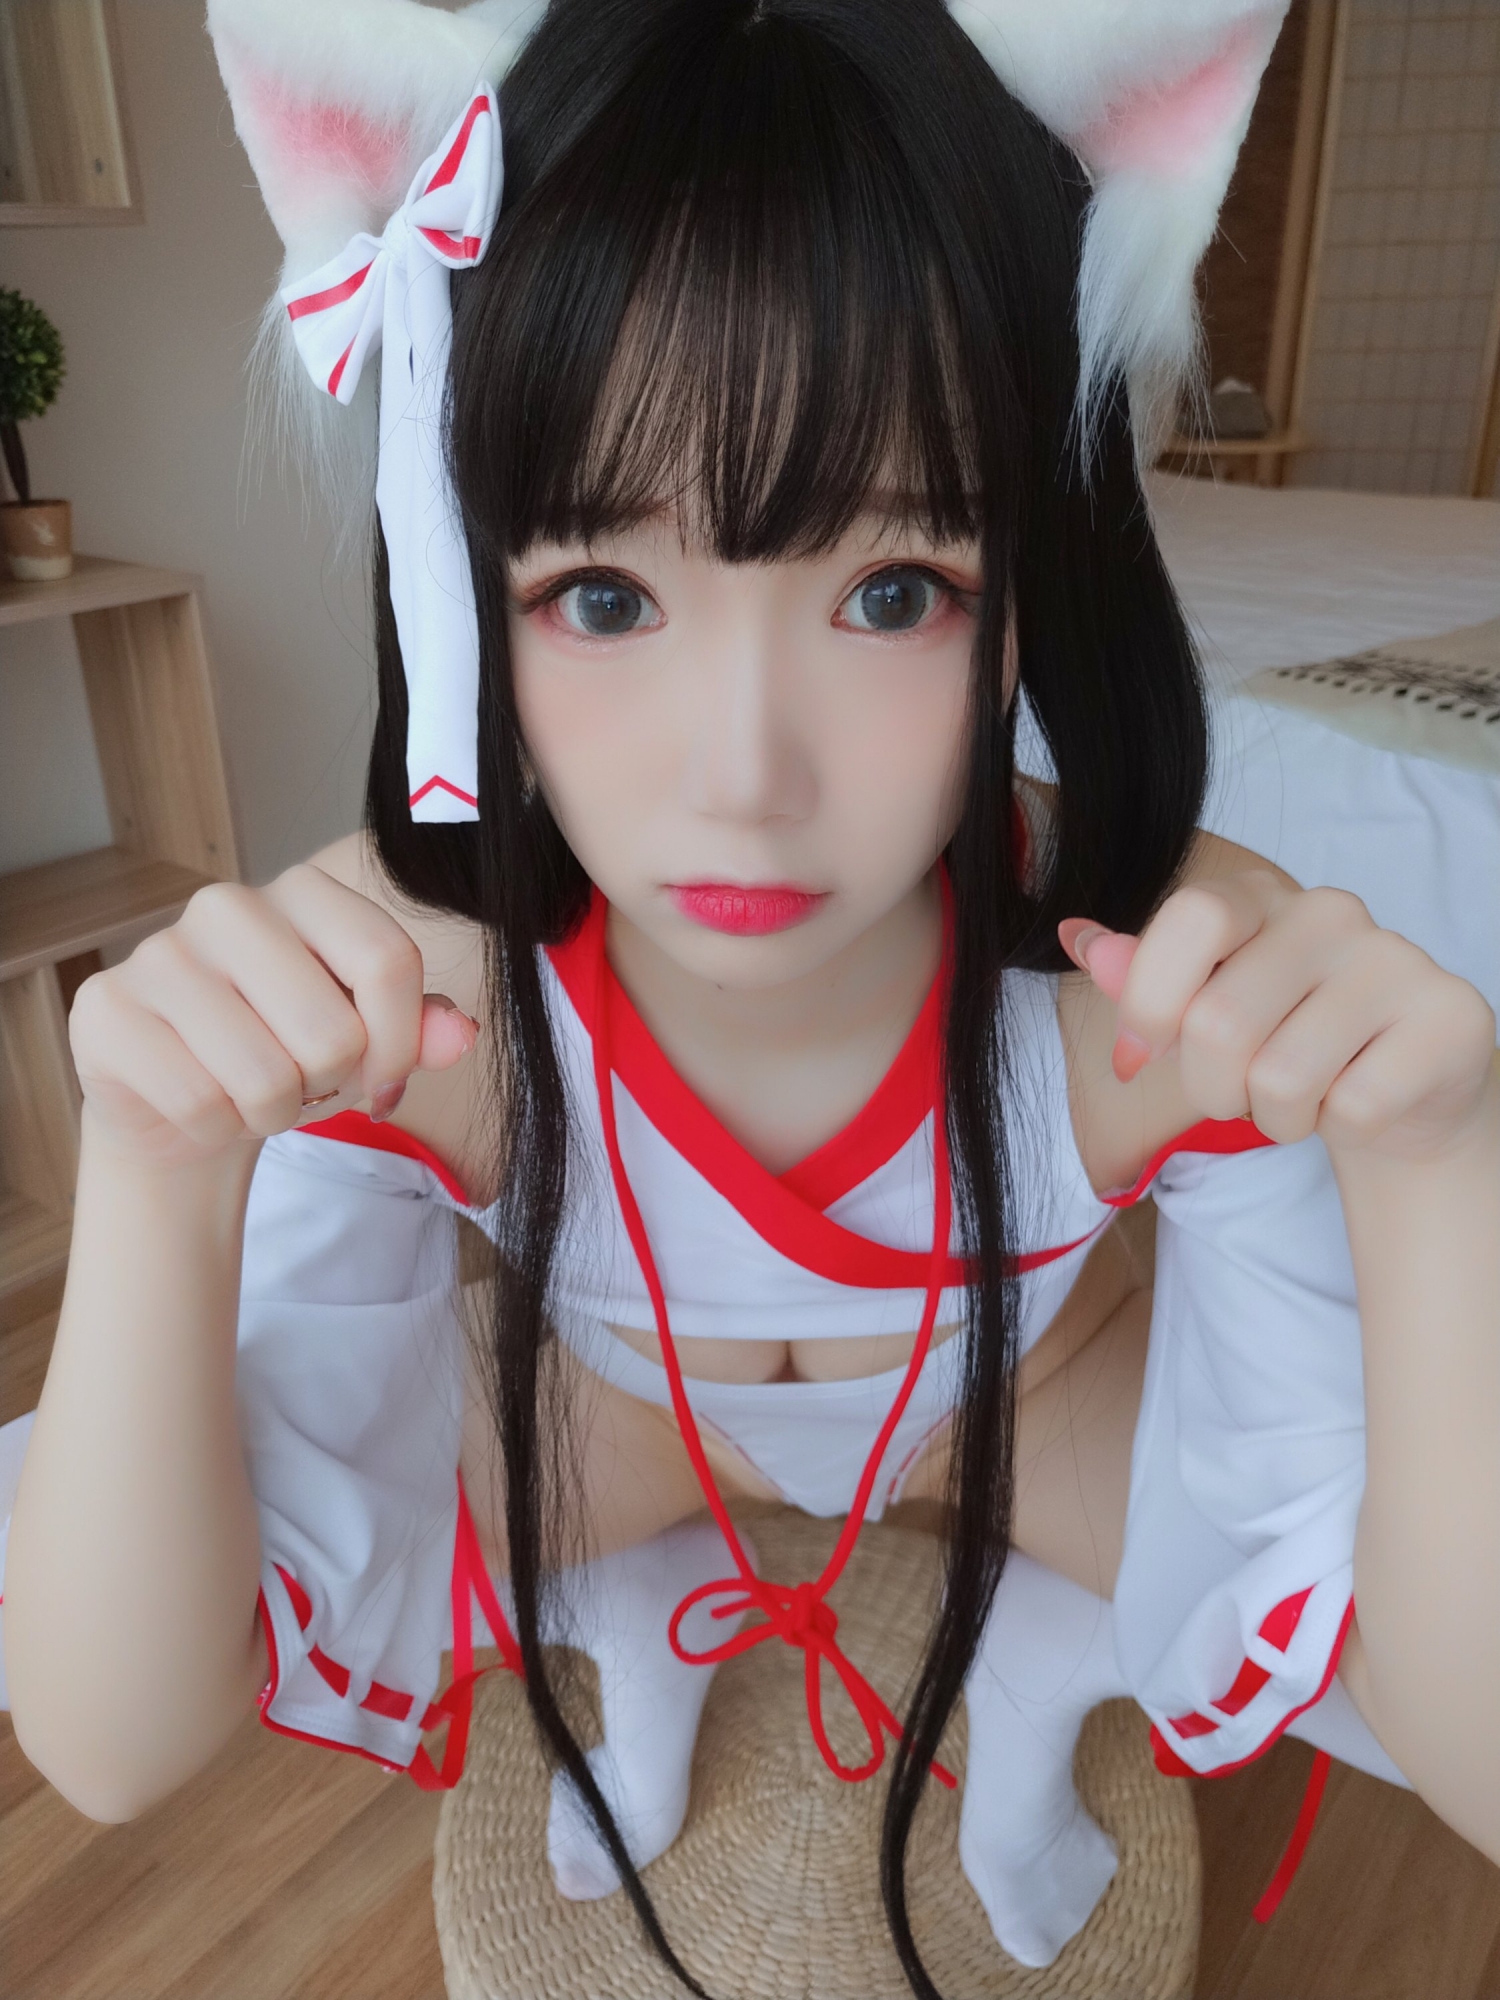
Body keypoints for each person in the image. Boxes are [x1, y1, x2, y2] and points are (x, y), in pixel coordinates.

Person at [4, 1, 1497, 1995]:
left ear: (1036, 578)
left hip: (1020, 1405)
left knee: (1340, 1592)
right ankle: (633, 1628)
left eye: (894, 590)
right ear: (462, 589)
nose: (742, 778)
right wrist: (151, 1173)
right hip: (618, 1411)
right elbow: (112, 1745)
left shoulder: (1157, 971)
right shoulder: (408, 980)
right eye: (603, 595)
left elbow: (1473, 1744)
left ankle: (1037, 1677)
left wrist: (1444, 1168)